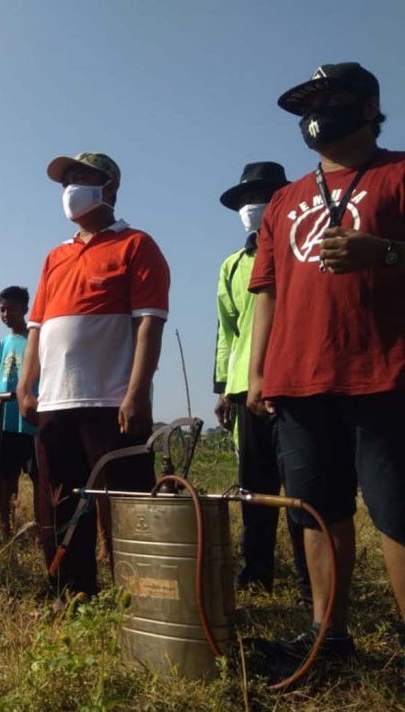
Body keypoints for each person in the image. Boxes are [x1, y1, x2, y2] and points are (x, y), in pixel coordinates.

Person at [247, 62, 405, 666]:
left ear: (369, 108)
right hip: (299, 380)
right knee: (318, 511)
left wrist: (384, 252)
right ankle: (328, 638)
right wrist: (260, 371)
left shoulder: (397, 172)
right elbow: (268, 290)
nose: (319, 112)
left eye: (333, 99)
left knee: (395, 513)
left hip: (384, 373)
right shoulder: (285, 200)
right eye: (310, 103)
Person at [18, 151, 170, 597]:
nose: (71, 189)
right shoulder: (55, 257)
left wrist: (137, 393)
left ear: (110, 188)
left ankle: (140, 596)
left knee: (125, 503)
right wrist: (27, 387)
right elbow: (36, 329)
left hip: (110, 402)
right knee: (60, 503)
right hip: (55, 403)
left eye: (82, 178)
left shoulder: (137, 245)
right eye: (67, 181)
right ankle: (72, 591)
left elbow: (149, 324)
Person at [215, 161, 310, 599]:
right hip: (242, 388)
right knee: (254, 488)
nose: (252, 207)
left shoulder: (298, 249)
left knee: (302, 486)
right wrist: (222, 387)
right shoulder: (232, 265)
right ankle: (256, 573)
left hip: (292, 382)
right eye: (245, 200)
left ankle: (312, 579)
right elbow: (227, 329)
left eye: (263, 196)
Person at [0, 287, 38, 538]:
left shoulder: (34, 339)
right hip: (4, 418)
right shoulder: (3, 343)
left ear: (25, 309)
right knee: (4, 475)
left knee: (36, 477)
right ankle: (5, 526)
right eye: (2, 309)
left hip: (27, 420)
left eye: (11, 308)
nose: (6, 314)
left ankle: (42, 527)